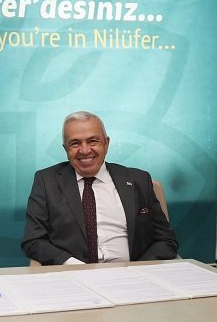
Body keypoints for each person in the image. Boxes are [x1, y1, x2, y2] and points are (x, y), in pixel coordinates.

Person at [21, 111, 177, 265]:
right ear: (65, 148)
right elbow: (34, 240)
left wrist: (138, 269)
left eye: (93, 141)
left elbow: (166, 240)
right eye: (75, 143)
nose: (85, 150)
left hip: (131, 274)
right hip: (72, 275)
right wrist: (71, 265)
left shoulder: (138, 180)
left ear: (106, 143)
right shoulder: (46, 181)